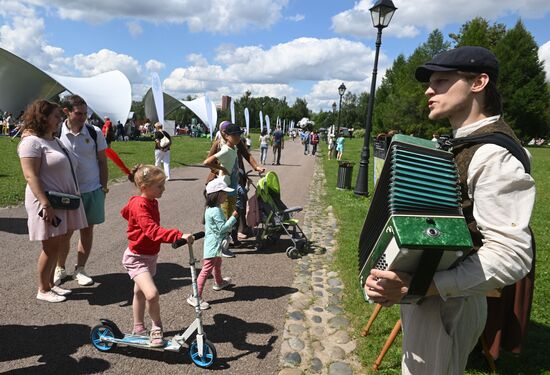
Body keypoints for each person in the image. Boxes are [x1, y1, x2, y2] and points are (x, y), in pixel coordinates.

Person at [365, 46, 535, 374]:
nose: (430, 90)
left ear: (478, 82)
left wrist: (420, 286)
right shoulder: (463, 144)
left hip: (448, 301)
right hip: (438, 294)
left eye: (442, 81)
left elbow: (513, 255)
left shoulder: (493, 156)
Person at [18, 100, 88, 302]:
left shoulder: (53, 140)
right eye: (56, 116)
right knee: (50, 247)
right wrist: (45, 204)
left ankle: (49, 284)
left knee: (57, 244)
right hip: (46, 202)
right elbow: (31, 176)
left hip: (61, 201)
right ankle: (43, 289)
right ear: (43, 117)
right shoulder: (31, 143)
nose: (60, 120)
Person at [121, 164, 193, 346]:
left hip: (150, 255)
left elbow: (125, 213)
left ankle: (138, 327)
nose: (163, 189)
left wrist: (134, 221)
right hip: (136, 257)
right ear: (144, 187)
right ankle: (157, 327)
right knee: (151, 294)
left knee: (139, 292)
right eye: (159, 186)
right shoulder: (139, 204)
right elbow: (152, 231)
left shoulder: (151, 201)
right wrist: (178, 235)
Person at [54, 95, 109, 287]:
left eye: (85, 113)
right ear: (66, 112)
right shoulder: (55, 132)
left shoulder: (94, 132)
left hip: (92, 189)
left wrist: (103, 186)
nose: (83, 117)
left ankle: (81, 269)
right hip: (67, 192)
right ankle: (60, 268)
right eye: (79, 113)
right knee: (65, 233)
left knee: (87, 231)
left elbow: (102, 161)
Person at [204, 121, 264, 255]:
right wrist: (219, 169)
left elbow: (247, 155)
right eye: (233, 133)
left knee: (239, 204)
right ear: (224, 133)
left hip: (236, 178)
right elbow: (208, 160)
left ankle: (236, 234)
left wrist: (256, 167)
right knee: (223, 210)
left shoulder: (237, 143)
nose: (237, 136)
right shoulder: (219, 144)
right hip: (221, 180)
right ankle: (222, 239)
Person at [188, 177, 237, 310]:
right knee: (206, 270)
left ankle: (219, 282)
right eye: (224, 193)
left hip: (214, 244)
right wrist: (234, 217)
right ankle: (195, 295)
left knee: (217, 262)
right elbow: (222, 228)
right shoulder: (215, 210)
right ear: (217, 195)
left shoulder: (212, 208)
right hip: (212, 245)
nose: (226, 195)